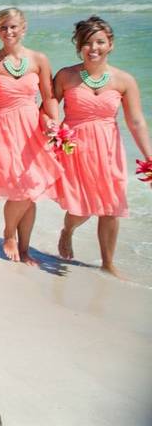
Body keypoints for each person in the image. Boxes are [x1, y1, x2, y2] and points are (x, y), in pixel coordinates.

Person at [54, 16, 151, 278]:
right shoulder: (66, 76)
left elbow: (136, 120)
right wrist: (51, 133)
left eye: (100, 42)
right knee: (81, 209)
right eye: (87, 43)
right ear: (79, 46)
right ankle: (68, 229)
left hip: (108, 149)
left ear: (110, 45)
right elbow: (48, 110)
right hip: (74, 149)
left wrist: (149, 156)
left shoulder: (124, 80)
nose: (93, 48)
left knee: (110, 207)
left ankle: (108, 263)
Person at [0, 7, 61, 264]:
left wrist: (54, 124)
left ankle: (25, 249)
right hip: (2, 130)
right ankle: (9, 235)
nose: (8, 31)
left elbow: (49, 98)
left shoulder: (39, 60)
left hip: (32, 129)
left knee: (32, 189)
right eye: (3, 27)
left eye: (13, 26)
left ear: (23, 28)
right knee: (19, 190)